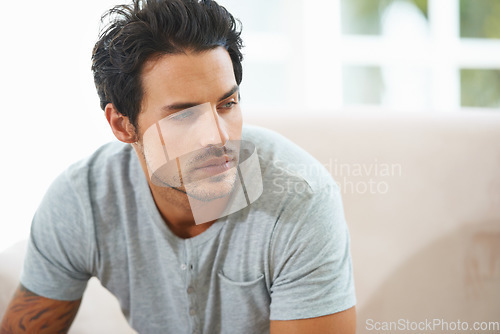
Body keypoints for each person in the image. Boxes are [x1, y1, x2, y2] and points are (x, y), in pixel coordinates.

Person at [0, 0, 356, 333]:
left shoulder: (297, 200)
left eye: (227, 104)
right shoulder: (83, 201)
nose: (217, 138)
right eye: (184, 115)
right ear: (123, 125)